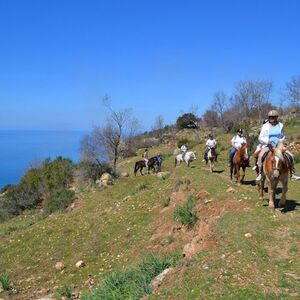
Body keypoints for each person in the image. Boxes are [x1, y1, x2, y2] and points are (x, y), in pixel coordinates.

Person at [255, 110, 300, 181]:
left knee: (290, 155)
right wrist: (267, 141)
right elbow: (260, 137)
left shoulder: (280, 125)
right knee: (260, 156)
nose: (271, 118)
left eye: (273, 117)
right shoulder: (265, 126)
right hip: (268, 146)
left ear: (276, 117)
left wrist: (280, 141)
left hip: (279, 146)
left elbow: (283, 136)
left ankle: (292, 174)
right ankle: (260, 173)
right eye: (270, 117)